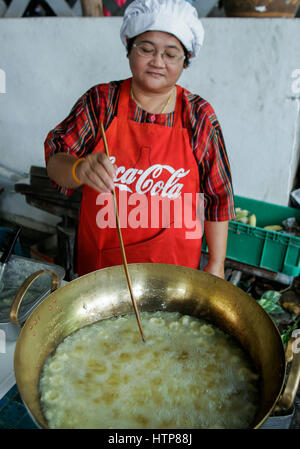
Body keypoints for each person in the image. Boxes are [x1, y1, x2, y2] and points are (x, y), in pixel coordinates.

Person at [45, 0, 235, 279]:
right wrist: (78, 169)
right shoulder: (101, 102)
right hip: (102, 269)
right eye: (146, 49)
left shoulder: (199, 115)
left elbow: (218, 197)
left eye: (171, 54)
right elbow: (55, 161)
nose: (157, 61)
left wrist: (216, 264)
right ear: (129, 50)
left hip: (175, 270)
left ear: (186, 60)